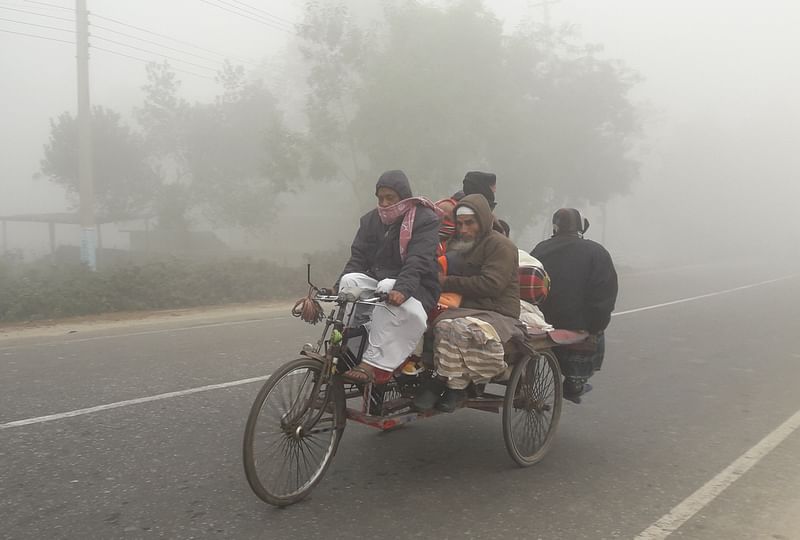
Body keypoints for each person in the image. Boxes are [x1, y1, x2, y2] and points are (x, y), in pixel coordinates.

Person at [413, 194, 522, 412]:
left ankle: (449, 385)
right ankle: (445, 381)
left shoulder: (501, 246)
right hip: (467, 309)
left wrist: (447, 282)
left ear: (482, 221)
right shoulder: (458, 244)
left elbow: (492, 285)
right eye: (460, 224)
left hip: (498, 312)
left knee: (454, 327)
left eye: (469, 223)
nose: (463, 229)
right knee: (430, 322)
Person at [336, 170, 441, 384]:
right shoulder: (370, 221)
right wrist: (336, 287)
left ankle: (371, 363)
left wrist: (402, 289)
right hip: (379, 281)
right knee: (349, 283)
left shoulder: (424, 219)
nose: (384, 203)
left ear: (403, 196)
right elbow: (358, 259)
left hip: (416, 287)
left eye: (390, 198)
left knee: (386, 286)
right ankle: (345, 346)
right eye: (380, 198)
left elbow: (418, 260)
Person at [531, 208, 618, 403]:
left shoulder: (540, 249)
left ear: (555, 228)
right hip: (575, 326)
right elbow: (605, 296)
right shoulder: (597, 253)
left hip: (539, 321)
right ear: (580, 228)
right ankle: (575, 382)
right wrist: (596, 326)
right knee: (598, 329)